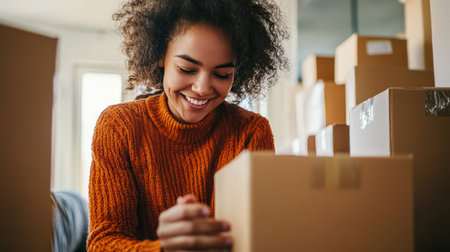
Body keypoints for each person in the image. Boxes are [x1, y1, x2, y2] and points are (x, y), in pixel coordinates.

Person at [87, 0, 288, 251]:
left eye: (222, 74)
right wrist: (163, 249)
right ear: (160, 56)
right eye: (186, 68)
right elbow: (103, 242)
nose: (202, 89)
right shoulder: (119, 127)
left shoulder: (251, 132)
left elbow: (259, 239)